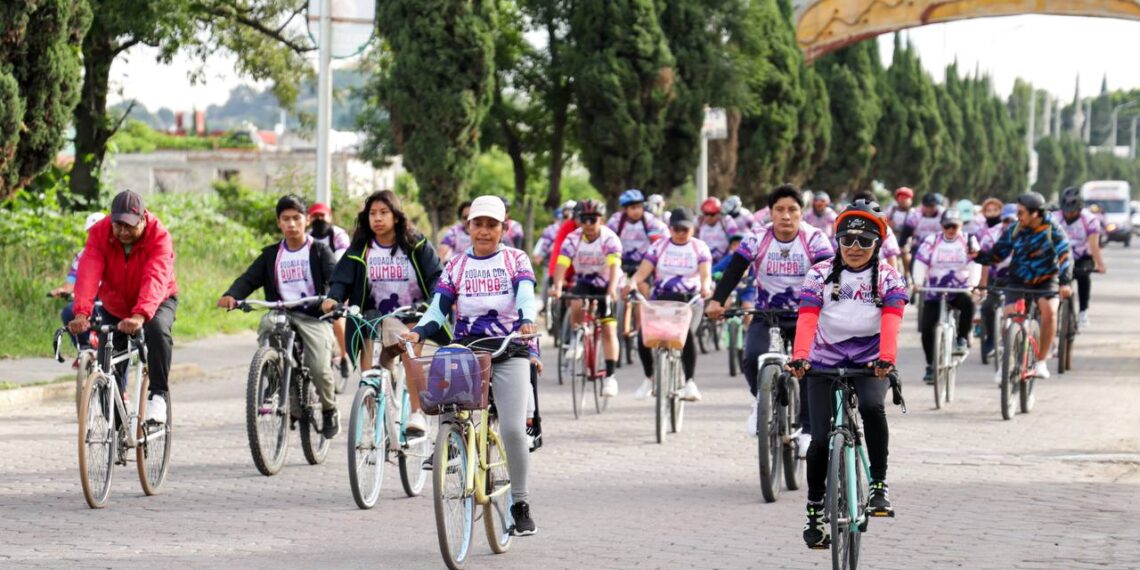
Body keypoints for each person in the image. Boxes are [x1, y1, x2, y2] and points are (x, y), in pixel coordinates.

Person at [402, 195, 542, 536]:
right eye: (478, 224)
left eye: (492, 225)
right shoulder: (457, 266)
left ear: (503, 228)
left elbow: (525, 293)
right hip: (468, 351)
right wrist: (420, 330)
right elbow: (439, 308)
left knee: (511, 429)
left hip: (510, 349)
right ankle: (448, 444)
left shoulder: (515, 259)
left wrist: (526, 319)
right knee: (447, 396)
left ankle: (520, 503)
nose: (484, 231)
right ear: (468, 227)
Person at [786, 201, 907, 549]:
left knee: (872, 407)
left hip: (871, 360)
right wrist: (800, 358)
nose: (855, 249)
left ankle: (879, 487)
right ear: (837, 241)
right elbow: (807, 318)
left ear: (878, 245)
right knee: (820, 440)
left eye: (864, 242)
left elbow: (892, 321)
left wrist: (886, 358)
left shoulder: (888, 276)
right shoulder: (818, 273)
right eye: (847, 241)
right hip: (823, 360)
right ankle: (815, 510)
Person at [705, 184, 833, 449]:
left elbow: (829, 275)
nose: (786, 216)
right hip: (767, 313)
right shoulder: (756, 237)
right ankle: (761, 401)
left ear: (802, 213)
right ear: (771, 213)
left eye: (792, 210)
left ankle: (808, 430)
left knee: (808, 366)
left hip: (805, 315)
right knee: (752, 357)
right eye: (779, 210)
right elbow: (735, 268)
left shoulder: (815, 238)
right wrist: (717, 300)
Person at [320, 190, 450, 436]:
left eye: (383, 213)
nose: (377, 218)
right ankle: (371, 408)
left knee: (411, 350)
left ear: (396, 216)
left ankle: (416, 413)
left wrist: (436, 301)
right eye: (372, 214)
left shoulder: (416, 244)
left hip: (413, 313)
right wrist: (334, 297)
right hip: (375, 315)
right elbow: (342, 278)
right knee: (367, 359)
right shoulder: (361, 248)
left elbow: (436, 277)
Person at [217, 195, 340, 438]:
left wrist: (332, 299)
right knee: (268, 324)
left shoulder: (319, 251)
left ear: (306, 220)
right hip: (281, 311)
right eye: (286, 219)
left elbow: (335, 278)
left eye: (296, 218)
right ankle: (273, 375)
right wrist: (232, 295)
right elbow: (249, 279)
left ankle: (329, 409)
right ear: (279, 223)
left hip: (312, 315)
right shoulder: (271, 255)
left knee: (318, 367)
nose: (292, 224)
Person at [69, 190, 179, 424]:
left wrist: (140, 315)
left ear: (143, 219)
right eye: (118, 225)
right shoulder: (101, 233)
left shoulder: (158, 235)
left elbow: (156, 276)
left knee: (157, 330)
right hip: (115, 304)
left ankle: (158, 396)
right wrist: (82, 312)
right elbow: (88, 273)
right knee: (108, 359)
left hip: (157, 301)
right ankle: (116, 420)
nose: (123, 232)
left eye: (129, 226)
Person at [973, 192, 1072, 379]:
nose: (1017, 217)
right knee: (1010, 316)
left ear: (1035, 213)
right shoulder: (1016, 229)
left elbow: (1065, 255)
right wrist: (978, 256)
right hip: (1018, 277)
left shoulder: (1053, 229)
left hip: (1045, 279)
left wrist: (1065, 282)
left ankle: (1041, 362)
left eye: (1021, 213)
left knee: (1049, 312)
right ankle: (1007, 361)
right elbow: (998, 253)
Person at [627, 207, 713, 402]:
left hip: (689, 301)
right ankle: (648, 379)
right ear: (670, 228)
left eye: (685, 229)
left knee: (686, 336)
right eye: (676, 229)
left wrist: (705, 287)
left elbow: (705, 274)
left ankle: (690, 382)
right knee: (644, 335)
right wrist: (632, 283)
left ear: (693, 229)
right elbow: (642, 272)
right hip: (662, 301)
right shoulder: (659, 247)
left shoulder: (700, 248)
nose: (681, 233)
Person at [552, 199, 623, 397]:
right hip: (584, 280)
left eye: (594, 219)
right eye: (585, 219)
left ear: (601, 220)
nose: (589, 224)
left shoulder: (610, 239)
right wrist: (557, 286)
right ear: (579, 221)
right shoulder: (573, 238)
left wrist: (611, 291)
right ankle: (577, 337)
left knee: (608, 328)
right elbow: (562, 264)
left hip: (607, 282)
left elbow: (614, 268)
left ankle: (610, 377)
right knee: (575, 302)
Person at [912, 208, 981, 384]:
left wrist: (973, 284)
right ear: (942, 226)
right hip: (934, 290)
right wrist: (918, 282)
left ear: (960, 226)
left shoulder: (968, 240)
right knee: (927, 328)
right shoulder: (932, 241)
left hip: (959, 288)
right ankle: (930, 365)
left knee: (969, 303)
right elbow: (920, 261)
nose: (951, 229)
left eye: (954, 226)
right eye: (947, 226)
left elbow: (975, 263)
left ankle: (962, 339)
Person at [308, 202, 352, 378]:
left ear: (329, 216)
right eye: (315, 217)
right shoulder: (307, 237)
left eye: (322, 216)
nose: (319, 220)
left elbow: (341, 260)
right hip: (317, 284)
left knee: (337, 319)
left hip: (339, 280)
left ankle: (344, 355)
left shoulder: (338, 235)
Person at [1053, 186, 1106, 328]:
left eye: (1073, 211)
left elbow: (1094, 245)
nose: (1069, 214)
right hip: (1060, 256)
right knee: (1053, 281)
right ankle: (1054, 313)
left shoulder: (1089, 220)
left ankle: (1083, 311)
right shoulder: (1054, 218)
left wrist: (1100, 264)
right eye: (1066, 211)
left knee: (1084, 276)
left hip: (1082, 256)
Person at [53, 212, 106, 352]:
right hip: (89, 298)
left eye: (98, 230)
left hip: (109, 298)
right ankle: (84, 348)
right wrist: (64, 290)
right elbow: (72, 278)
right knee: (68, 312)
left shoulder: (115, 250)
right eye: (91, 231)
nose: (95, 234)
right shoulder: (82, 255)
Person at [977, 203, 1016, 367]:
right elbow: (985, 260)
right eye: (1006, 220)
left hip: (1018, 278)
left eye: (1013, 220)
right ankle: (992, 338)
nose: (1009, 224)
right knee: (987, 307)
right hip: (996, 277)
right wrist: (983, 284)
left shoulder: (1026, 233)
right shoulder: (991, 234)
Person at [607, 189, 667, 277]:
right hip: (620, 263)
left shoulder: (650, 221)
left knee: (644, 287)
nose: (637, 211)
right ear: (625, 209)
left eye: (639, 207)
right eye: (633, 208)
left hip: (643, 263)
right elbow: (606, 240)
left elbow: (665, 238)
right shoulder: (616, 221)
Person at [696, 197, 741, 265]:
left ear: (718, 213)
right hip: (704, 260)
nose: (708, 217)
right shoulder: (699, 222)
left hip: (723, 261)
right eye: (706, 214)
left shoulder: (726, 221)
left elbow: (735, 242)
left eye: (712, 214)